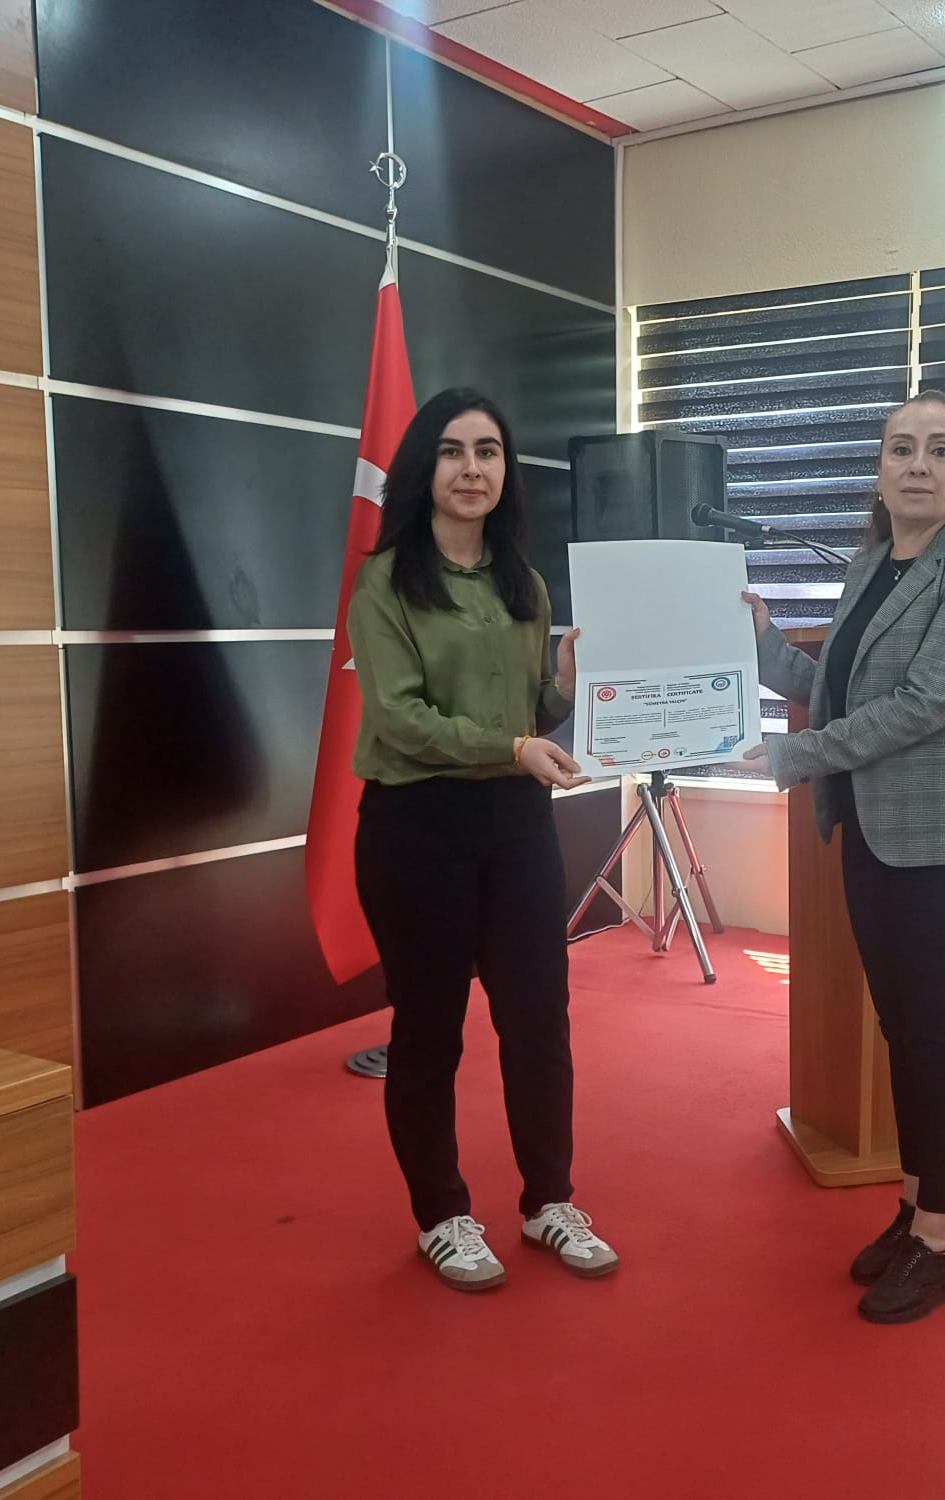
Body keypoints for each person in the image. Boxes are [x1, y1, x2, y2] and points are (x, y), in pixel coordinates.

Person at [742, 389, 945, 1324]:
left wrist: (791, 756)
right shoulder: (870, 565)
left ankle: (941, 1245)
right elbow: (837, 690)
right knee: (906, 1032)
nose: (918, 465)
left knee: (937, 1037)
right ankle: (914, 1209)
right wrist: (761, 644)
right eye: (902, 448)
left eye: (941, 450)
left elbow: (925, 704)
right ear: (878, 471)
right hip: (872, 832)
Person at [347, 387, 619, 1291]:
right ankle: (442, 1215)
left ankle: (549, 1201)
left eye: (490, 452)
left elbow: (531, 710)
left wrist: (565, 688)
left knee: (539, 1020)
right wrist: (512, 747)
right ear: (425, 467)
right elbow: (399, 718)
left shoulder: (524, 584)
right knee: (430, 1029)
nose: (473, 469)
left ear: (507, 470)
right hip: (417, 826)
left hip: (516, 824)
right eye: (455, 451)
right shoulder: (388, 582)